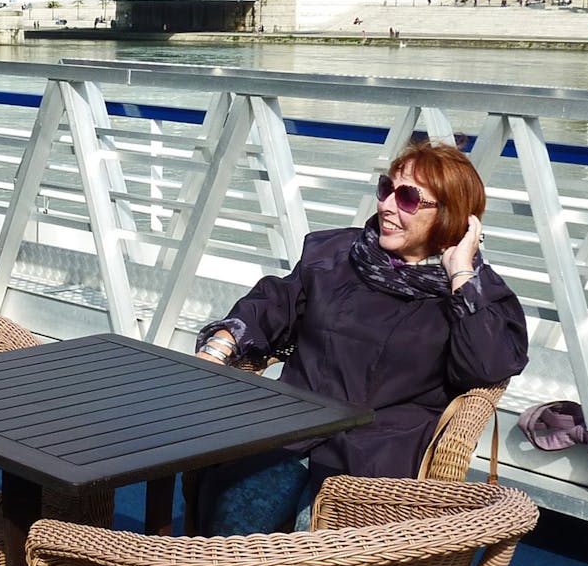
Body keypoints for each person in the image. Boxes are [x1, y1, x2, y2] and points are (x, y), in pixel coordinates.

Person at [192, 141, 528, 534]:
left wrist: (461, 277)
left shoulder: (473, 292)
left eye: (408, 198)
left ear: (449, 216)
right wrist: (221, 345)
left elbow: (487, 366)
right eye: (387, 188)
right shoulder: (336, 254)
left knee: (317, 550)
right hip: (294, 424)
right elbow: (275, 301)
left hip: (378, 448)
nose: (387, 205)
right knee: (234, 521)